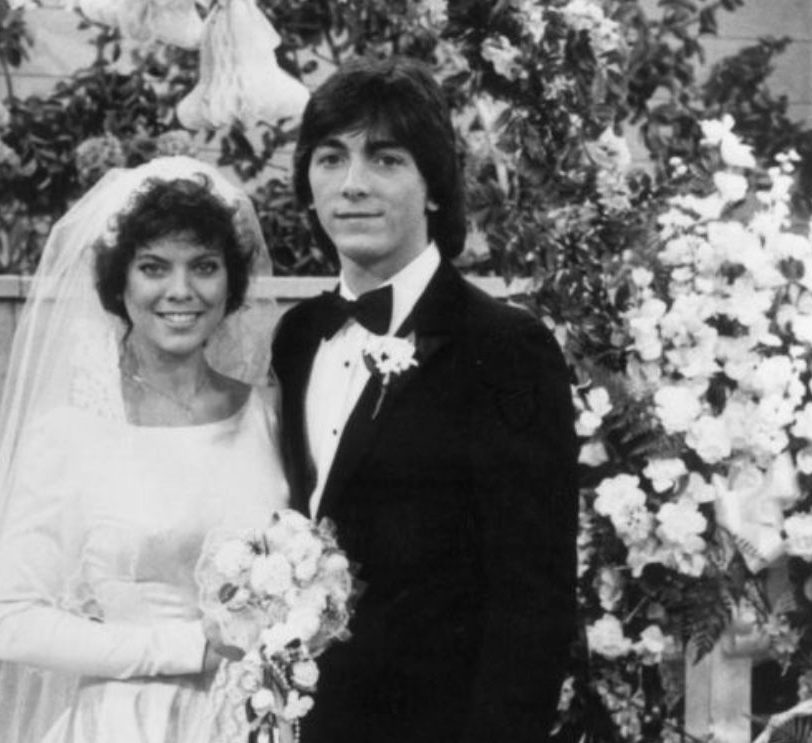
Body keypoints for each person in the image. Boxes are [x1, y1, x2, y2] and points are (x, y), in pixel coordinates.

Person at [270, 56, 579, 742]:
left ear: (434, 187)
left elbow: (534, 603)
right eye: (329, 159)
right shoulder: (295, 338)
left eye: (384, 159)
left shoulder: (505, 347)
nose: (351, 186)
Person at [0, 157, 288, 743]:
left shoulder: (270, 414)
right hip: (128, 723)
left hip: (260, 721)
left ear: (231, 282)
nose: (181, 291)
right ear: (118, 281)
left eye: (204, 267)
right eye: (154, 267)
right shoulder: (72, 434)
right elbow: (15, 623)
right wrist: (189, 648)